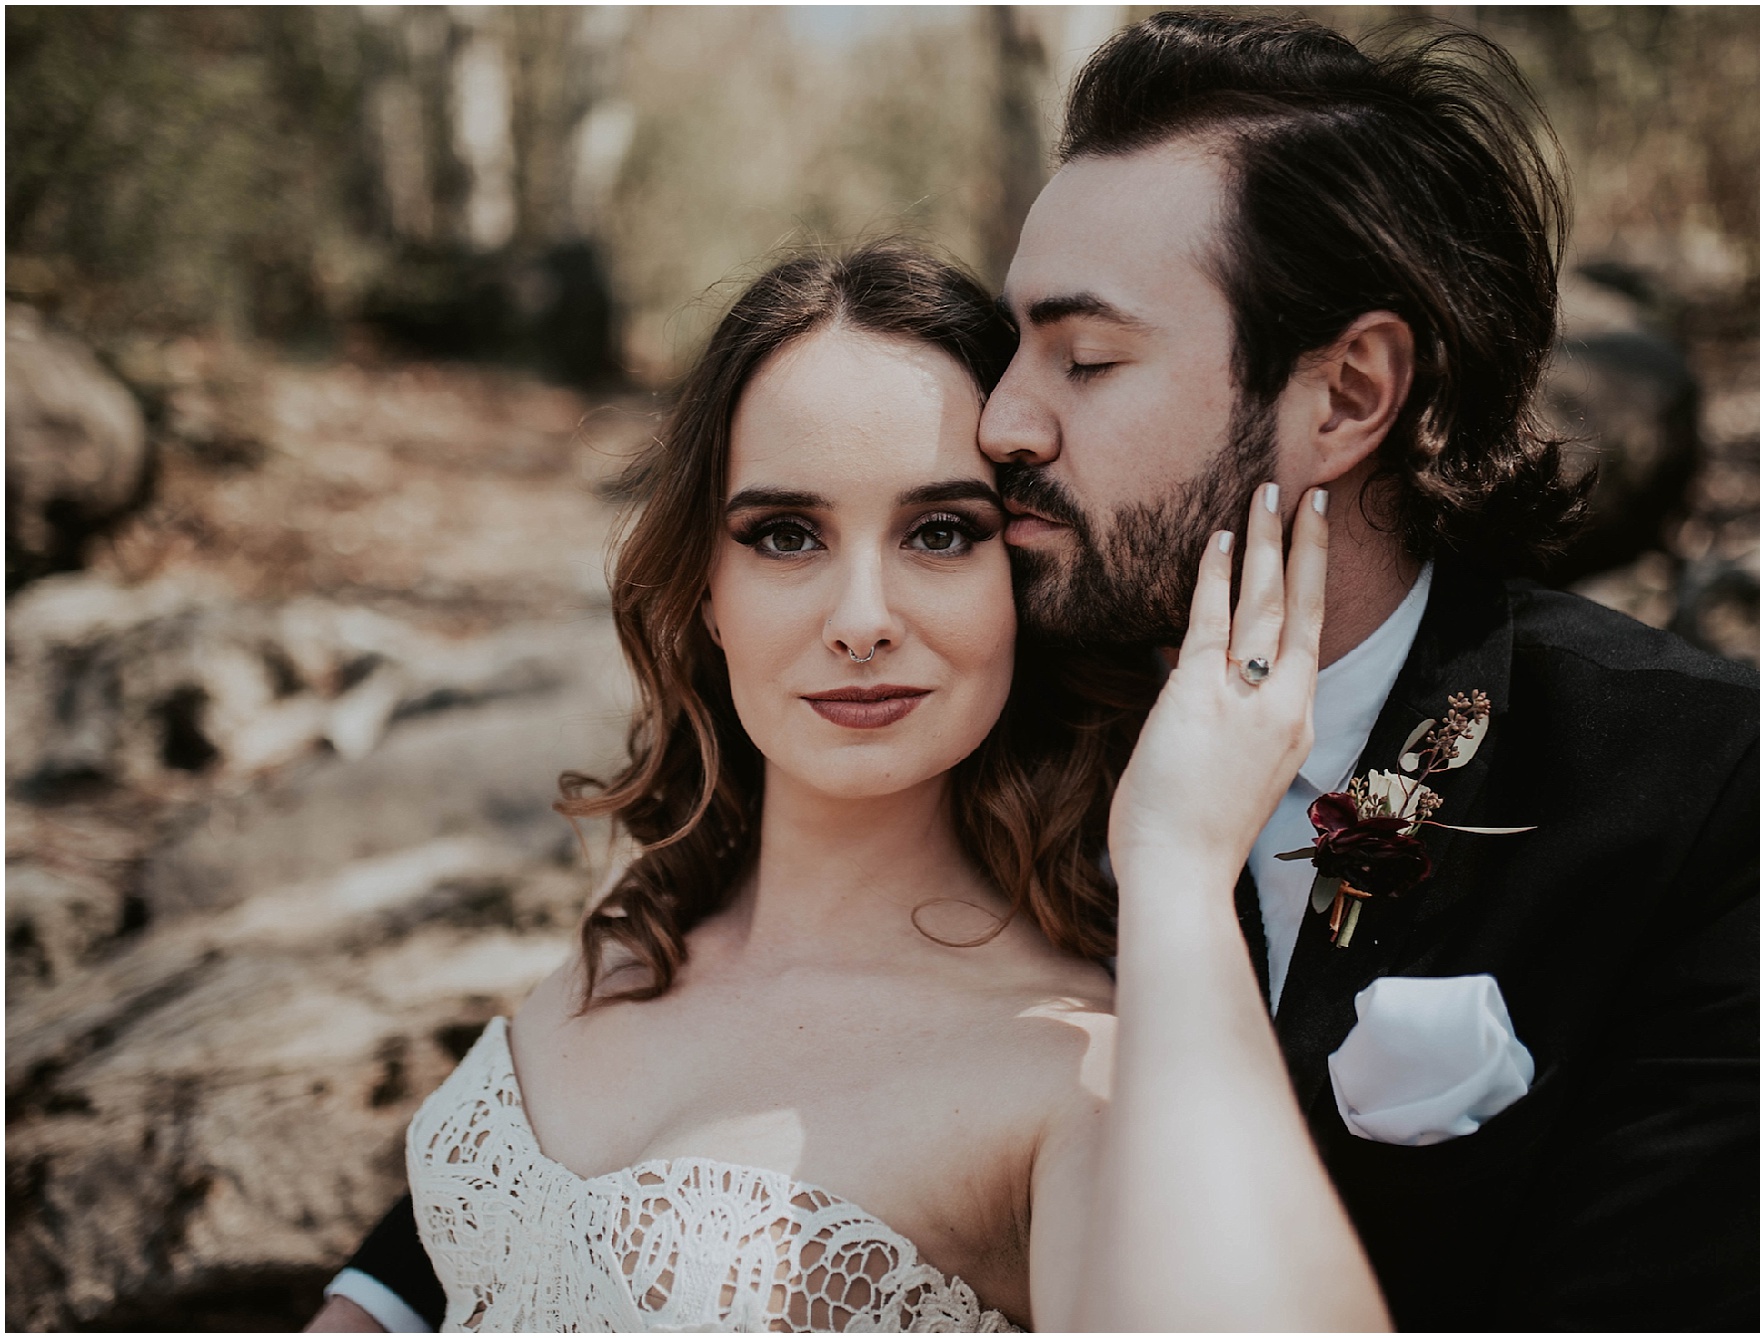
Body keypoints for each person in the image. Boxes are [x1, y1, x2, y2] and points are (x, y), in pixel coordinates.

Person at [321, 11, 1760, 1331]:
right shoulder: (1000, 668)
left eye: (1086, 356)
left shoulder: (1698, 791)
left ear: (1347, 393)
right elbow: (683, 1057)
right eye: (1013, 349)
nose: (1004, 422)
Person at [315, 239, 1385, 1332]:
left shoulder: (1075, 1077)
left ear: (1020, 582)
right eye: (785, 536)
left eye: (940, 533)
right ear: (708, 590)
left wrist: (1176, 869)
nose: (862, 620)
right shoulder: (643, 928)